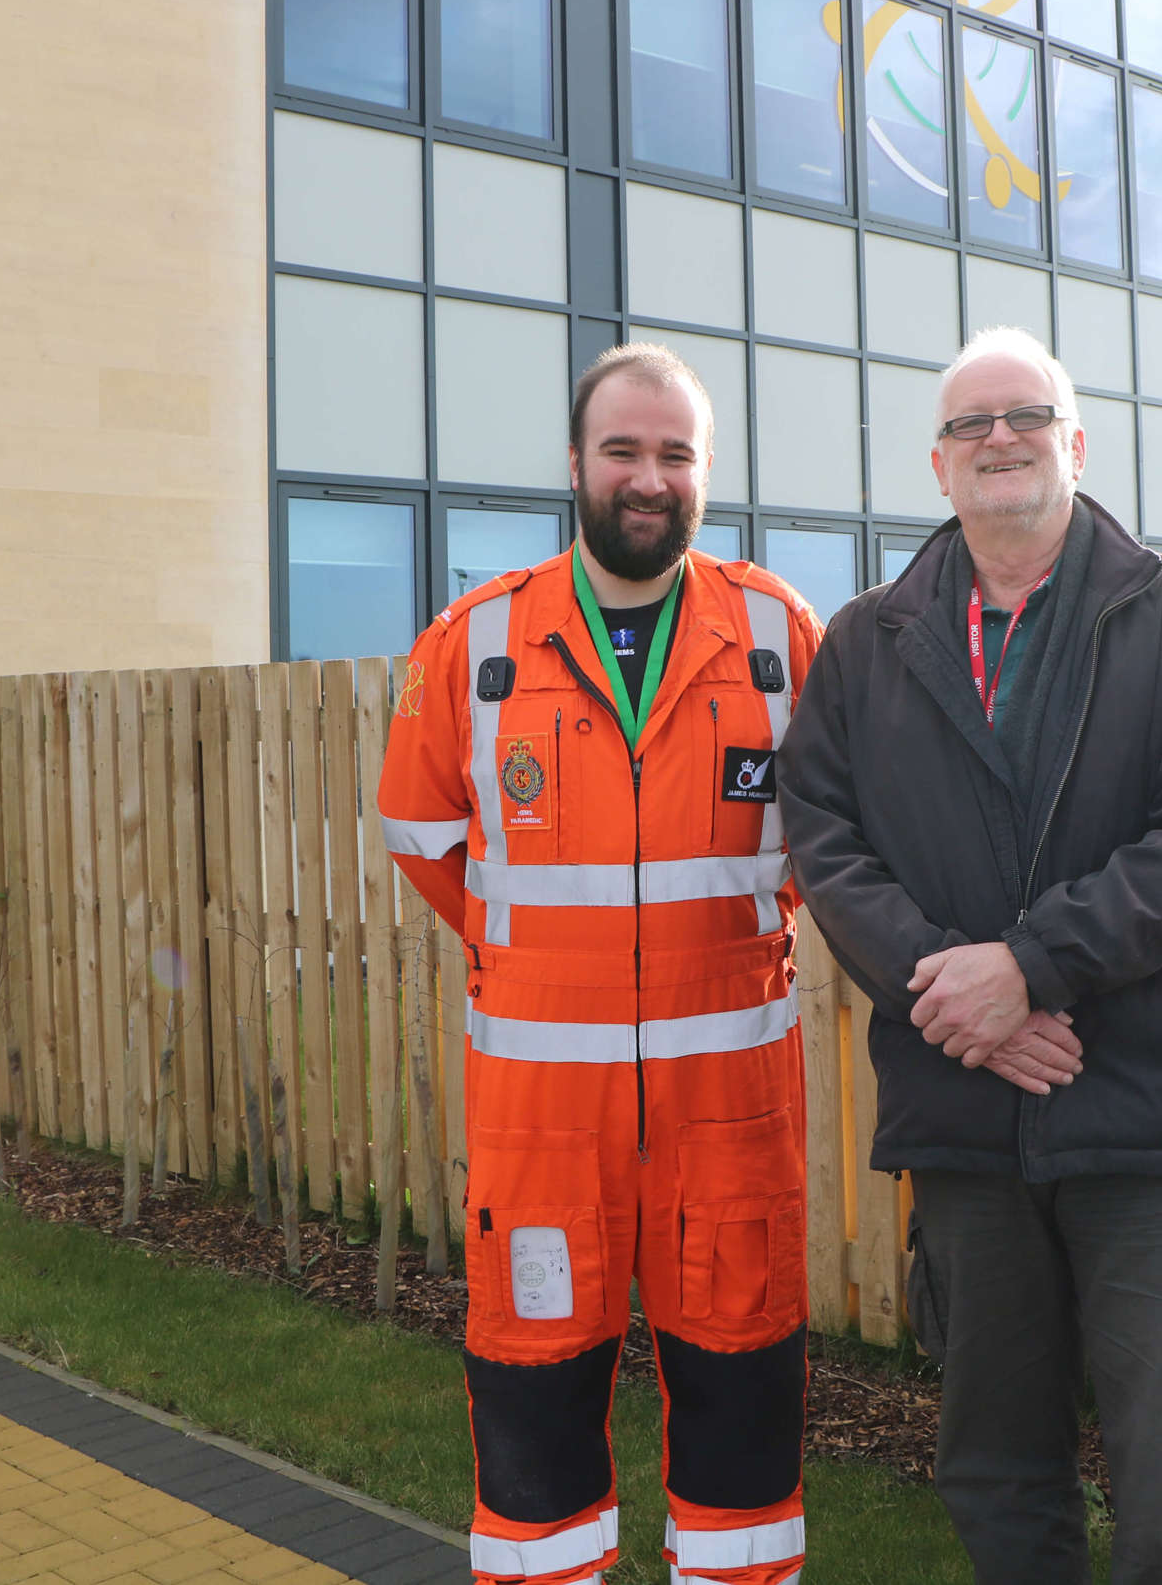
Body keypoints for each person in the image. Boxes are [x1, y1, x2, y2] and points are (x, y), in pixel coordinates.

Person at [777, 326, 1162, 1584]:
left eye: (1026, 415)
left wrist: (1029, 967)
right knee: (998, 1480)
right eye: (970, 425)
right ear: (937, 468)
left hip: (1145, 1123)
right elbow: (828, 846)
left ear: (1075, 441)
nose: (999, 437)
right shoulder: (868, 642)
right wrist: (962, 990)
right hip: (966, 1122)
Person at [378, 344, 822, 1585]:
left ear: (706, 473)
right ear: (574, 463)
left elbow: (829, 838)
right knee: (534, 1438)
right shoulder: (476, 642)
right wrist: (530, 949)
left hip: (730, 1116)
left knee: (743, 1433)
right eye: (623, 450)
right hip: (541, 1127)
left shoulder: (782, 636)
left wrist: (729, 930)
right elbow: (421, 833)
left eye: (674, 454)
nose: (647, 476)